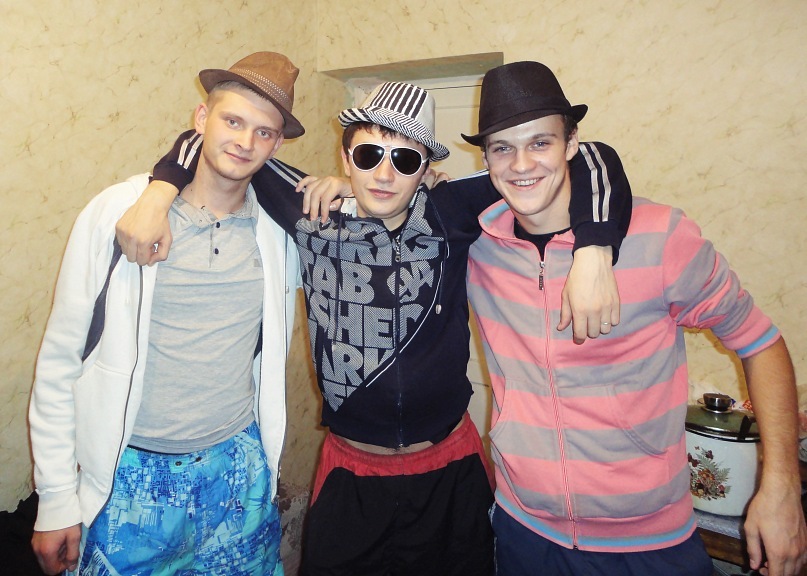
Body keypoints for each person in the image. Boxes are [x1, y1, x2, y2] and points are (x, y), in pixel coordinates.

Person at [116, 80, 632, 575]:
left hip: (449, 470)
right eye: (368, 156)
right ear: (345, 158)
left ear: (425, 171)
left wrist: (593, 249)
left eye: (404, 160)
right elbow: (207, 141)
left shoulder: (449, 212)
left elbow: (588, 156)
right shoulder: (312, 210)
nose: (384, 174)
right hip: (352, 474)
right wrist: (158, 195)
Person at [461, 61, 807, 576]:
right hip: (523, 531)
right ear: (486, 157)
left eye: (540, 142)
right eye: (502, 148)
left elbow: (760, 342)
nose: (521, 164)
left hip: (650, 543)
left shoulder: (661, 237)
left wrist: (780, 486)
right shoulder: (478, 246)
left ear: (572, 143)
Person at [28, 51, 303, 576]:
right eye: (233, 121)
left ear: (277, 146)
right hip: (130, 475)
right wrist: (57, 497)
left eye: (264, 132)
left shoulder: (279, 230)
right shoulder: (119, 211)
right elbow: (61, 361)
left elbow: (370, 213)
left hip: (237, 469)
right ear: (201, 118)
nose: (245, 142)